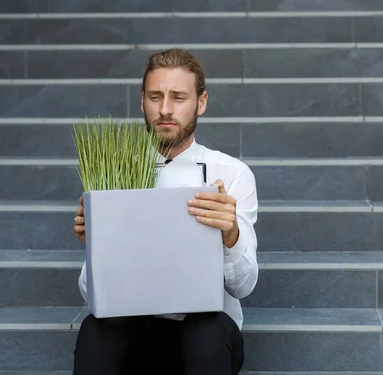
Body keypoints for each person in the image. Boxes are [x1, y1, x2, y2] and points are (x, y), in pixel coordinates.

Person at [71, 48, 259, 375]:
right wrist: (97, 243)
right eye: (156, 97)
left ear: (201, 102)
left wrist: (230, 234)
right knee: (95, 330)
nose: (166, 110)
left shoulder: (231, 173)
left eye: (178, 97)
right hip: (133, 331)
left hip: (206, 334)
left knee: (207, 335)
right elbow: (90, 294)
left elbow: (243, 286)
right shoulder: (113, 173)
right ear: (142, 100)